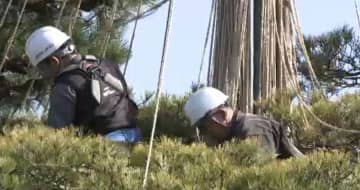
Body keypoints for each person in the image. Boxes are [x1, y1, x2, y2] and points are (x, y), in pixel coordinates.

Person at [25, 26, 142, 143]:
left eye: (42, 69)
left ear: (54, 61)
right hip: (136, 135)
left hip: (105, 146)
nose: (43, 75)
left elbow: (56, 136)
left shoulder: (64, 86)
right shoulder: (107, 64)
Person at [184, 87, 304, 158]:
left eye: (204, 127)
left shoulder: (252, 129)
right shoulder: (232, 137)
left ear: (221, 115)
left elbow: (262, 177)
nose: (205, 134)